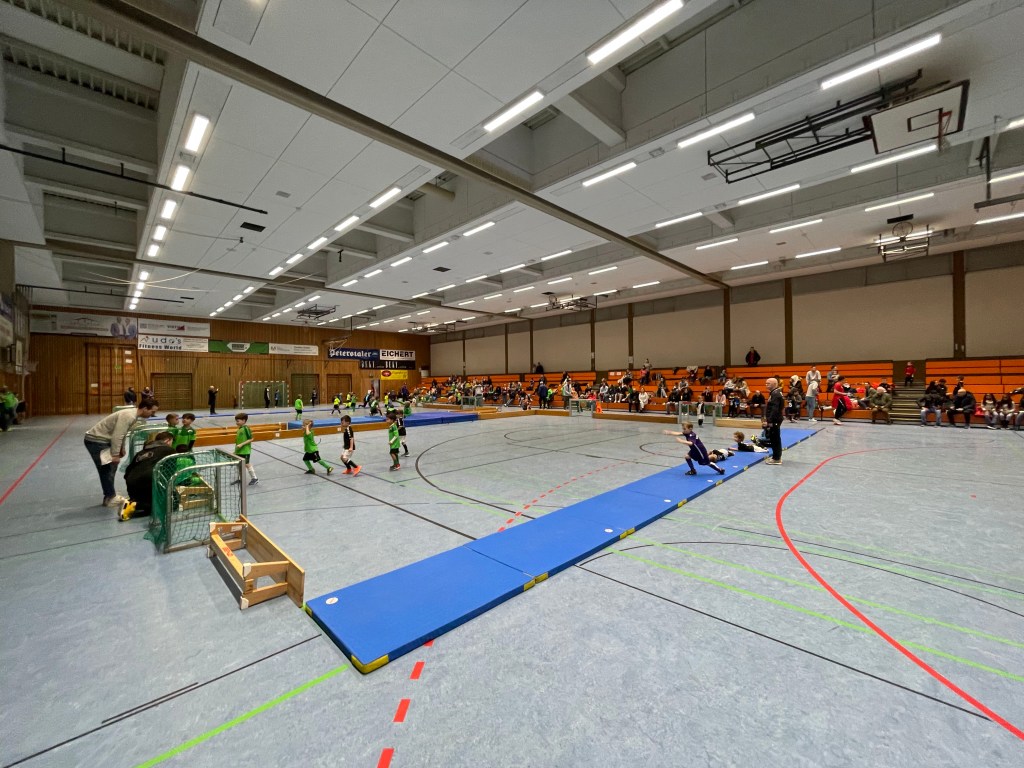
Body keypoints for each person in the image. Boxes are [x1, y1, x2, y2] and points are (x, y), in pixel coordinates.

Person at [84, 397, 159, 506]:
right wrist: (115, 454)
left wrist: (121, 448)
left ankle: (110, 494)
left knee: (111, 468)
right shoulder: (129, 416)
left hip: (103, 440)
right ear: (144, 408)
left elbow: (123, 433)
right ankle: (110, 497)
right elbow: (117, 435)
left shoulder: (133, 415)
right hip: (96, 441)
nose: (152, 415)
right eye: (152, 412)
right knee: (106, 468)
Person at [121, 431, 176, 519]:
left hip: (131, 481)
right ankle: (136, 505)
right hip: (148, 481)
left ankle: (132, 503)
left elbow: (128, 470)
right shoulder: (169, 450)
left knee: (143, 498)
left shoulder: (141, 452)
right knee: (167, 505)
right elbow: (170, 471)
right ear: (168, 441)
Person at [762, 377, 784, 465]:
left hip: (774, 420)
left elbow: (775, 409)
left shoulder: (776, 394)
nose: (766, 385)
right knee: (773, 438)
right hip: (774, 419)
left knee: (775, 439)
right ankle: (776, 456)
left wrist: (769, 421)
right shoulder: (774, 393)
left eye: (768, 383)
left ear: (774, 384)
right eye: (766, 383)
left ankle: (776, 458)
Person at [233, 413, 258, 485]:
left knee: (247, 464)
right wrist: (235, 451)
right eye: (236, 421)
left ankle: (254, 478)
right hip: (239, 451)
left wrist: (242, 444)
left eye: (238, 421)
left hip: (245, 451)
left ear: (244, 421)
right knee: (239, 464)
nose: (236, 422)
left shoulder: (246, 428)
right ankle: (241, 479)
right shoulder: (239, 429)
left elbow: (251, 438)